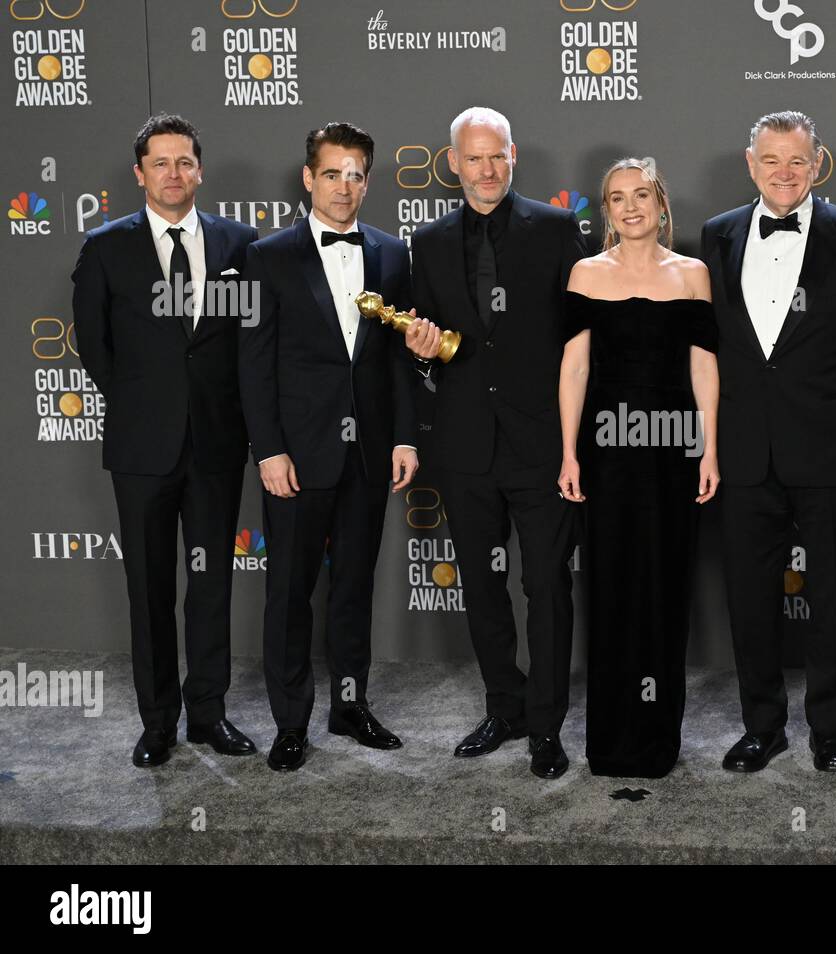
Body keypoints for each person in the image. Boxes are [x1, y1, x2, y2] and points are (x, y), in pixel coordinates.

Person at [699, 111, 836, 774]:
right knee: (750, 599)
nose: (784, 173)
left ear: (818, 164)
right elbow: (717, 351)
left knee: (835, 598)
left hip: (834, 452)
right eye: (771, 161)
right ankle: (763, 726)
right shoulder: (719, 234)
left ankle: (829, 729)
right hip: (746, 451)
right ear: (750, 163)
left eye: (797, 161)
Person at [404, 107, 586, 779]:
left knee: (547, 586)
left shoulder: (558, 228)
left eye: (497, 156)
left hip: (541, 444)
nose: (486, 170)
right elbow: (423, 357)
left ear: (514, 157)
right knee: (482, 586)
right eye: (473, 158)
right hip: (464, 447)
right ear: (452, 163)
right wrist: (423, 354)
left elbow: (579, 340)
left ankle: (546, 725)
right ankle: (504, 708)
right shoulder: (425, 242)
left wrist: (574, 441)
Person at [72, 114, 259, 768]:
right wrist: (150, 404)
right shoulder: (105, 248)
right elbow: (95, 349)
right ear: (139, 173)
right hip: (143, 450)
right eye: (161, 163)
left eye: (185, 162)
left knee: (209, 587)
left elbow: (250, 344)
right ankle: (159, 723)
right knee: (148, 589)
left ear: (199, 170)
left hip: (215, 446)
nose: (174, 174)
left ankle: (209, 714)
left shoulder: (241, 243)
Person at [239, 122, 419, 771]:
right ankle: (291, 723)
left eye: (356, 175)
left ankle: (349, 705)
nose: (345, 187)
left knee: (352, 588)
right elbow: (255, 364)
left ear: (367, 181)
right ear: (308, 178)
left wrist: (403, 435)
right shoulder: (268, 256)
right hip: (297, 455)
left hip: (368, 452)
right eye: (332, 173)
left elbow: (396, 361)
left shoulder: (393, 254)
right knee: (288, 591)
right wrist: (270, 450)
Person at [558, 158, 719, 778]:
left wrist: (710, 447)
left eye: (641, 195)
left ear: (660, 204)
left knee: (665, 587)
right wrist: (569, 451)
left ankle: (657, 741)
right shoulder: (585, 273)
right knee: (612, 588)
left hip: (674, 449)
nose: (630, 207)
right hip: (607, 449)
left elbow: (704, 366)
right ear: (606, 211)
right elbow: (574, 368)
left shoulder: (693, 274)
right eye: (617, 198)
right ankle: (612, 742)